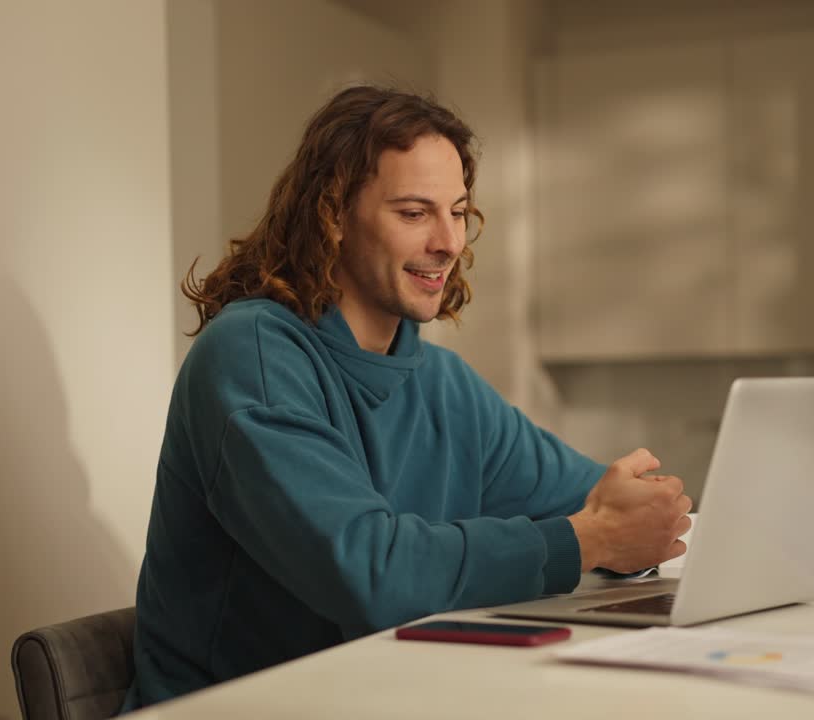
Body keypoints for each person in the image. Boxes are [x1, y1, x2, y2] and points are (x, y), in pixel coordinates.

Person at [120, 86, 692, 712]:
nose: (448, 241)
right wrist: (592, 539)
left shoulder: (440, 382)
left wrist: (650, 514)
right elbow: (372, 573)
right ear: (332, 214)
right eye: (415, 213)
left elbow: (596, 500)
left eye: (457, 212)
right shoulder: (251, 356)